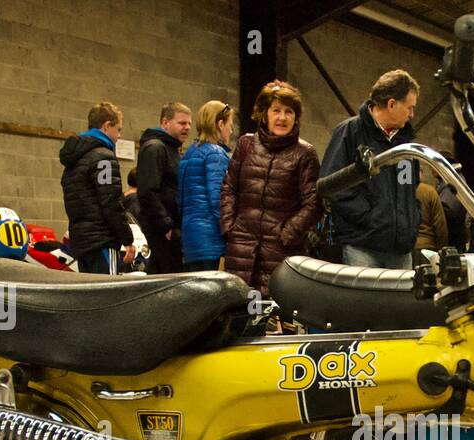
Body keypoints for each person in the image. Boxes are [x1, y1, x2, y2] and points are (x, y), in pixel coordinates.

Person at [219, 80, 320, 295]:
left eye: (289, 111)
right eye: (276, 110)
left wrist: (287, 235)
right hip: (241, 248)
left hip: (283, 253)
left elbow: (314, 203)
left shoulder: (306, 153)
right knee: (240, 314)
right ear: (264, 114)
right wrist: (229, 227)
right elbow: (229, 188)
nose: (282, 117)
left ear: (296, 117)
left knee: (279, 320)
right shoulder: (246, 144)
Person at [320, 69, 420, 268]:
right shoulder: (349, 132)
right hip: (362, 248)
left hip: (401, 251)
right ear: (392, 104)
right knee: (362, 300)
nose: (412, 114)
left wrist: (411, 219)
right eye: (409, 108)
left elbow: (410, 186)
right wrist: (371, 217)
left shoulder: (405, 144)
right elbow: (333, 186)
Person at [60, 102, 135, 275]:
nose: (118, 137)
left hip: (81, 243)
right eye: (119, 129)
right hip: (102, 241)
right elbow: (111, 203)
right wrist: (127, 239)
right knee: (110, 296)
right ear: (107, 126)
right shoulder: (104, 158)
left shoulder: (74, 160)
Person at [136, 102, 192, 274]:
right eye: (182, 123)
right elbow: (147, 191)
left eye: (189, 124)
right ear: (165, 123)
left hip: (171, 228)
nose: (187, 128)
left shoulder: (173, 150)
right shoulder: (155, 148)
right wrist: (164, 225)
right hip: (161, 231)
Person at [179, 100, 233, 272]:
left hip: (191, 238)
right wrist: (230, 232)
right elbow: (219, 199)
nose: (231, 131)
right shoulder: (216, 154)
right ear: (220, 124)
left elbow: (180, 199)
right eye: (230, 125)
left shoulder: (189, 153)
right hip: (212, 240)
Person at [414, 180, 448, 264]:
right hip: (428, 248)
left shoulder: (398, 193)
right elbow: (440, 225)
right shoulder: (429, 191)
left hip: (405, 250)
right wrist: (442, 249)